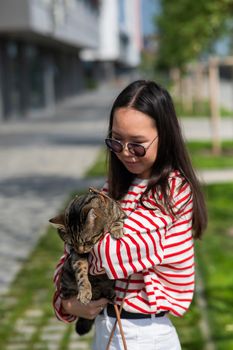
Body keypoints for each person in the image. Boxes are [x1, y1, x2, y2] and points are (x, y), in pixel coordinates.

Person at [53, 80, 207, 349]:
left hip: (142, 333)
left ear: (165, 136)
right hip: (109, 325)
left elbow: (113, 255)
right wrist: (66, 303)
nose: (125, 153)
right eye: (116, 141)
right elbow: (70, 257)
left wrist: (82, 252)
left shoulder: (171, 191)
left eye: (137, 145)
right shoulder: (114, 187)